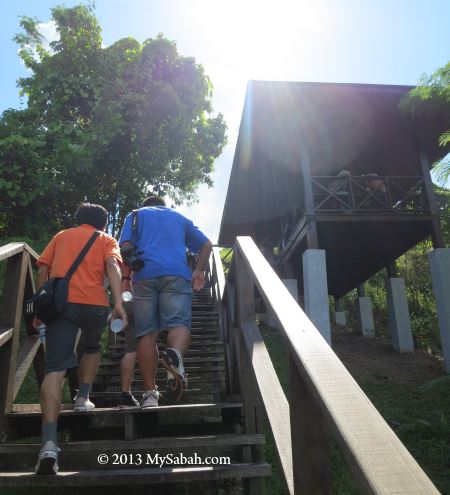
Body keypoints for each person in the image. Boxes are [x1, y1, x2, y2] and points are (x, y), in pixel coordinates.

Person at [34, 203, 127, 475]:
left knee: (54, 370)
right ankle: (83, 397)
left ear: (78, 219)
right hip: (95, 305)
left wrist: (42, 304)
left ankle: (49, 444)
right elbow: (112, 266)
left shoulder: (61, 236)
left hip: (62, 306)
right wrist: (118, 303)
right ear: (103, 223)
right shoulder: (107, 240)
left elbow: (42, 270)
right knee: (92, 346)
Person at [119, 195, 212, 408]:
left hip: (144, 276)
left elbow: (124, 247)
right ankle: (175, 354)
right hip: (176, 274)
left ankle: (150, 395)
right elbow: (206, 244)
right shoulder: (179, 217)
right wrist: (198, 270)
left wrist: (126, 280)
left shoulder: (135, 215)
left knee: (146, 333)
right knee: (178, 325)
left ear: (146, 205)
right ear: (163, 205)